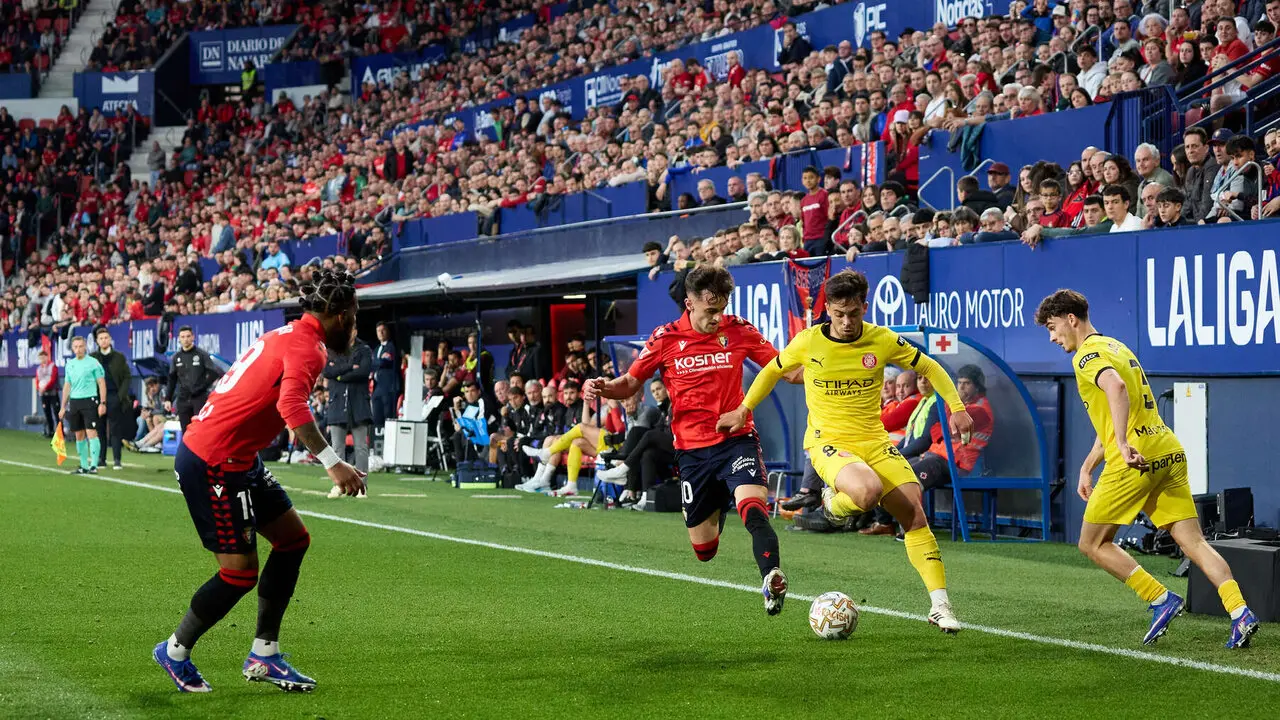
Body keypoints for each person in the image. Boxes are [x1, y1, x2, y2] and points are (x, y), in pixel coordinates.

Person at [719, 270, 972, 633]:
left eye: (853, 313)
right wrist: (744, 409)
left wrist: (957, 407)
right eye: (839, 314)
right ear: (828, 310)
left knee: (914, 511)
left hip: (875, 441)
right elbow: (772, 371)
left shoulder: (881, 339)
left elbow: (929, 365)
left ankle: (940, 606)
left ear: (864, 307)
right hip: (829, 441)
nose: (847, 321)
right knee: (867, 492)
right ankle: (832, 505)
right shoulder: (808, 342)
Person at [154, 269, 366, 694]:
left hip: (239, 458)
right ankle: (175, 650)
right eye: (356, 317)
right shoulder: (310, 349)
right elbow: (291, 405)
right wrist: (333, 462)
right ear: (340, 316)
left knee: (292, 540)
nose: (356, 327)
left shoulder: (285, 333)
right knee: (238, 574)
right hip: (212, 461)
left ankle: (264, 654)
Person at [1034, 290, 1258, 648]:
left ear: (1070, 319)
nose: (1052, 336)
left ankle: (1160, 598)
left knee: (1091, 543)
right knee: (1195, 542)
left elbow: (1116, 389)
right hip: (1167, 449)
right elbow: (1112, 415)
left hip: (1135, 459)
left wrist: (1121, 445)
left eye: (1052, 327)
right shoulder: (1117, 347)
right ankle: (1240, 612)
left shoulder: (1086, 356)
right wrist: (1088, 466)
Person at [583, 265, 789, 616]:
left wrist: (821, 359)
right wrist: (603, 387)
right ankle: (722, 498)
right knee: (704, 550)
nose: (717, 318)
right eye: (710, 310)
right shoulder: (665, 339)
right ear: (689, 302)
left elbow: (783, 367)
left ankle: (772, 578)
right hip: (692, 452)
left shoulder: (738, 331)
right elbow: (630, 384)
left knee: (755, 509)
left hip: (736, 439)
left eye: (721, 309)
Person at [324, 336, 373, 496]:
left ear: (355, 330)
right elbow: (327, 371)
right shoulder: (332, 349)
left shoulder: (364, 349)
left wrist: (340, 374)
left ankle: (362, 487)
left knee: (361, 447)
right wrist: (350, 367)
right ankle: (340, 485)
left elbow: (364, 372)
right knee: (337, 448)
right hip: (338, 403)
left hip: (358, 404)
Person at [59, 335, 107, 475]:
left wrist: (102, 403)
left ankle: (94, 466)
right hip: (75, 402)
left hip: (90, 400)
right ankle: (83, 465)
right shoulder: (70, 364)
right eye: (76, 347)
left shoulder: (93, 363)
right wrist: (63, 406)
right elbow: (67, 386)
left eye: (81, 346)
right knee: (79, 434)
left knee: (92, 433)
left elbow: (101, 383)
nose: (78, 349)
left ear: (85, 347)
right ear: (72, 348)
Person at [90, 327, 132, 471]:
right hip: (97, 398)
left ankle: (117, 460)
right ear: (97, 341)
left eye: (106, 338)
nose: (104, 340)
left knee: (115, 430)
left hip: (114, 396)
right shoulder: (93, 358)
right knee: (100, 429)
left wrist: (120, 396)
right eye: (101, 338)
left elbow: (127, 377)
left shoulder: (119, 357)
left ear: (110, 339)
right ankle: (101, 459)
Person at [166, 325, 221, 431]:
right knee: (185, 430)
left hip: (199, 398)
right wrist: (168, 399)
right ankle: (186, 448)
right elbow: (172, 379)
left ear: (193, 337)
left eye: (188, 336)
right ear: (179, 339)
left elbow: (213, 373)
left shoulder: (201, 354)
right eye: (182, 337)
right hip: (183, 398)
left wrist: (202, 386)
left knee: (200, 429)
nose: (185, 339)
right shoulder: (176, 357)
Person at [371, 322, 400, 432]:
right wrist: (377, 361)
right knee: (376, 415)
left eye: (383, 330)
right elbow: (372, 364)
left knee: (388, 417)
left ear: (387, 331)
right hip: (377, 387)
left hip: (389, 387)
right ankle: (378, 438)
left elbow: (384, 363)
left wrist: (375, 362)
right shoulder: (377, 348)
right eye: (378, 331)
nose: (381, 333)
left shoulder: (391, 346)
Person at [35, 348, 59, 437]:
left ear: (47, 357)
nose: (42, 359)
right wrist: (39, 388)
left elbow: (53, 379)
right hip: (43, 394)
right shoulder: (39, 368)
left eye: (43, 357)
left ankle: (60, 432)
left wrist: (45, 387)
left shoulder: (53, 366)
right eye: (40, 358)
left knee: (57, 412)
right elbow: (37, 380)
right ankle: (51, 431)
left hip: (52, 393)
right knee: (47, 412)